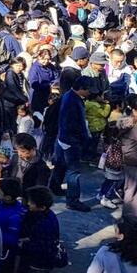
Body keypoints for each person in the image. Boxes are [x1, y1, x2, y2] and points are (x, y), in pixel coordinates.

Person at [17, 185, 61, 273]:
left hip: (39, 263)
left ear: (41, 206)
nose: (28, 204)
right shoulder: (49, 217)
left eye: (31, 202)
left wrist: (25, 245)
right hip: (45, 262)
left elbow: (41, 246)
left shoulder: (44, 224)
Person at [54, 74, 93, 211]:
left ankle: (55, 187)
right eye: (88, 90)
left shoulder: (68, 96)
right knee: (73, 171)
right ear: (82, 88)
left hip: (63, 138)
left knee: (60, 165)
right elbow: (72, 124)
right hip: (71, 140)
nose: (89, 93)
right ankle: (72, 200)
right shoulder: (73, 100)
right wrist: (83, 139)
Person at [0, 178, 27, 273]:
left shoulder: (15, 215)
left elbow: (13, 239)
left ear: (8, 197)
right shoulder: (1, 204)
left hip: (7, 253)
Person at [117, 94, 137, 221]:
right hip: (134, 165)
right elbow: (128, 152)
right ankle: (130, 226)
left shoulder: (134, 125)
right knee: (133, 197)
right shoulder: (135, 128)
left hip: (135, 163)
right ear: (134, 111)